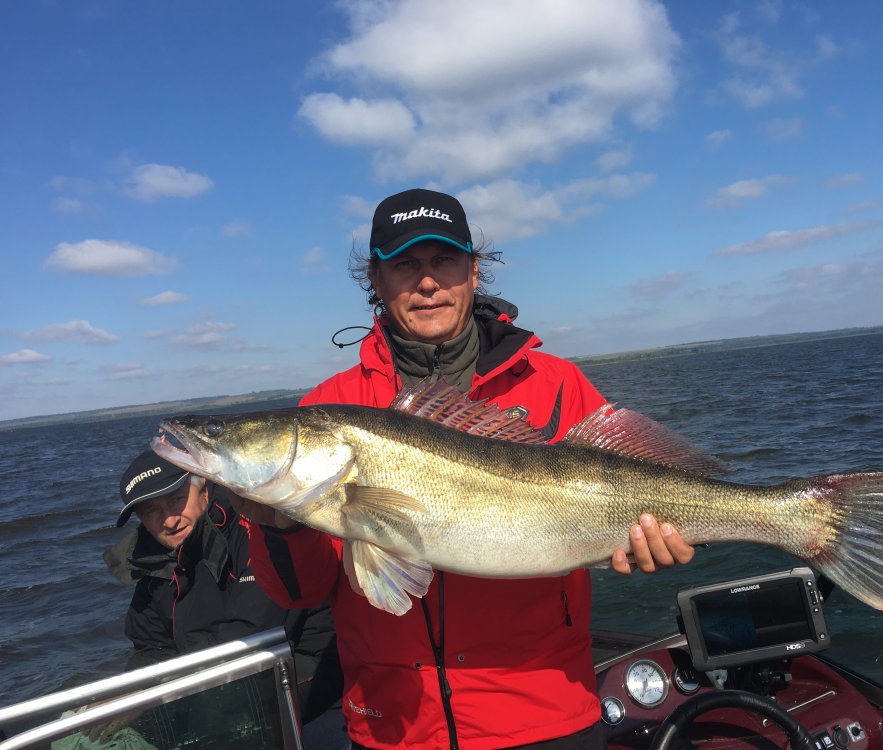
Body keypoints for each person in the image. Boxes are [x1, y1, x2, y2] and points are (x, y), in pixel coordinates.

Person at [237, 188, 696, 749]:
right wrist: (278, 524)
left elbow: (635, 494)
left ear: (474, 271)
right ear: (376, 280)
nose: (427, 282)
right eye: (405, 265)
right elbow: (301, 593)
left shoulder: (556, 384)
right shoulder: (329, 407)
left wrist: (650, 544)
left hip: (546, 713)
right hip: (394, 725)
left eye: (444, 260)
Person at [102, 449, 344, 738]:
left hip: (300, 667)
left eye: (176, 500)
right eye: (152, 511)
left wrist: (167, 686)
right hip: (208, 677)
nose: (169, 520)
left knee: (203, 718)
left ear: (203, 487)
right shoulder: (152, 561)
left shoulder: (253, 524)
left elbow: (253, 633)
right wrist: (133, 689)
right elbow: (151, 646)